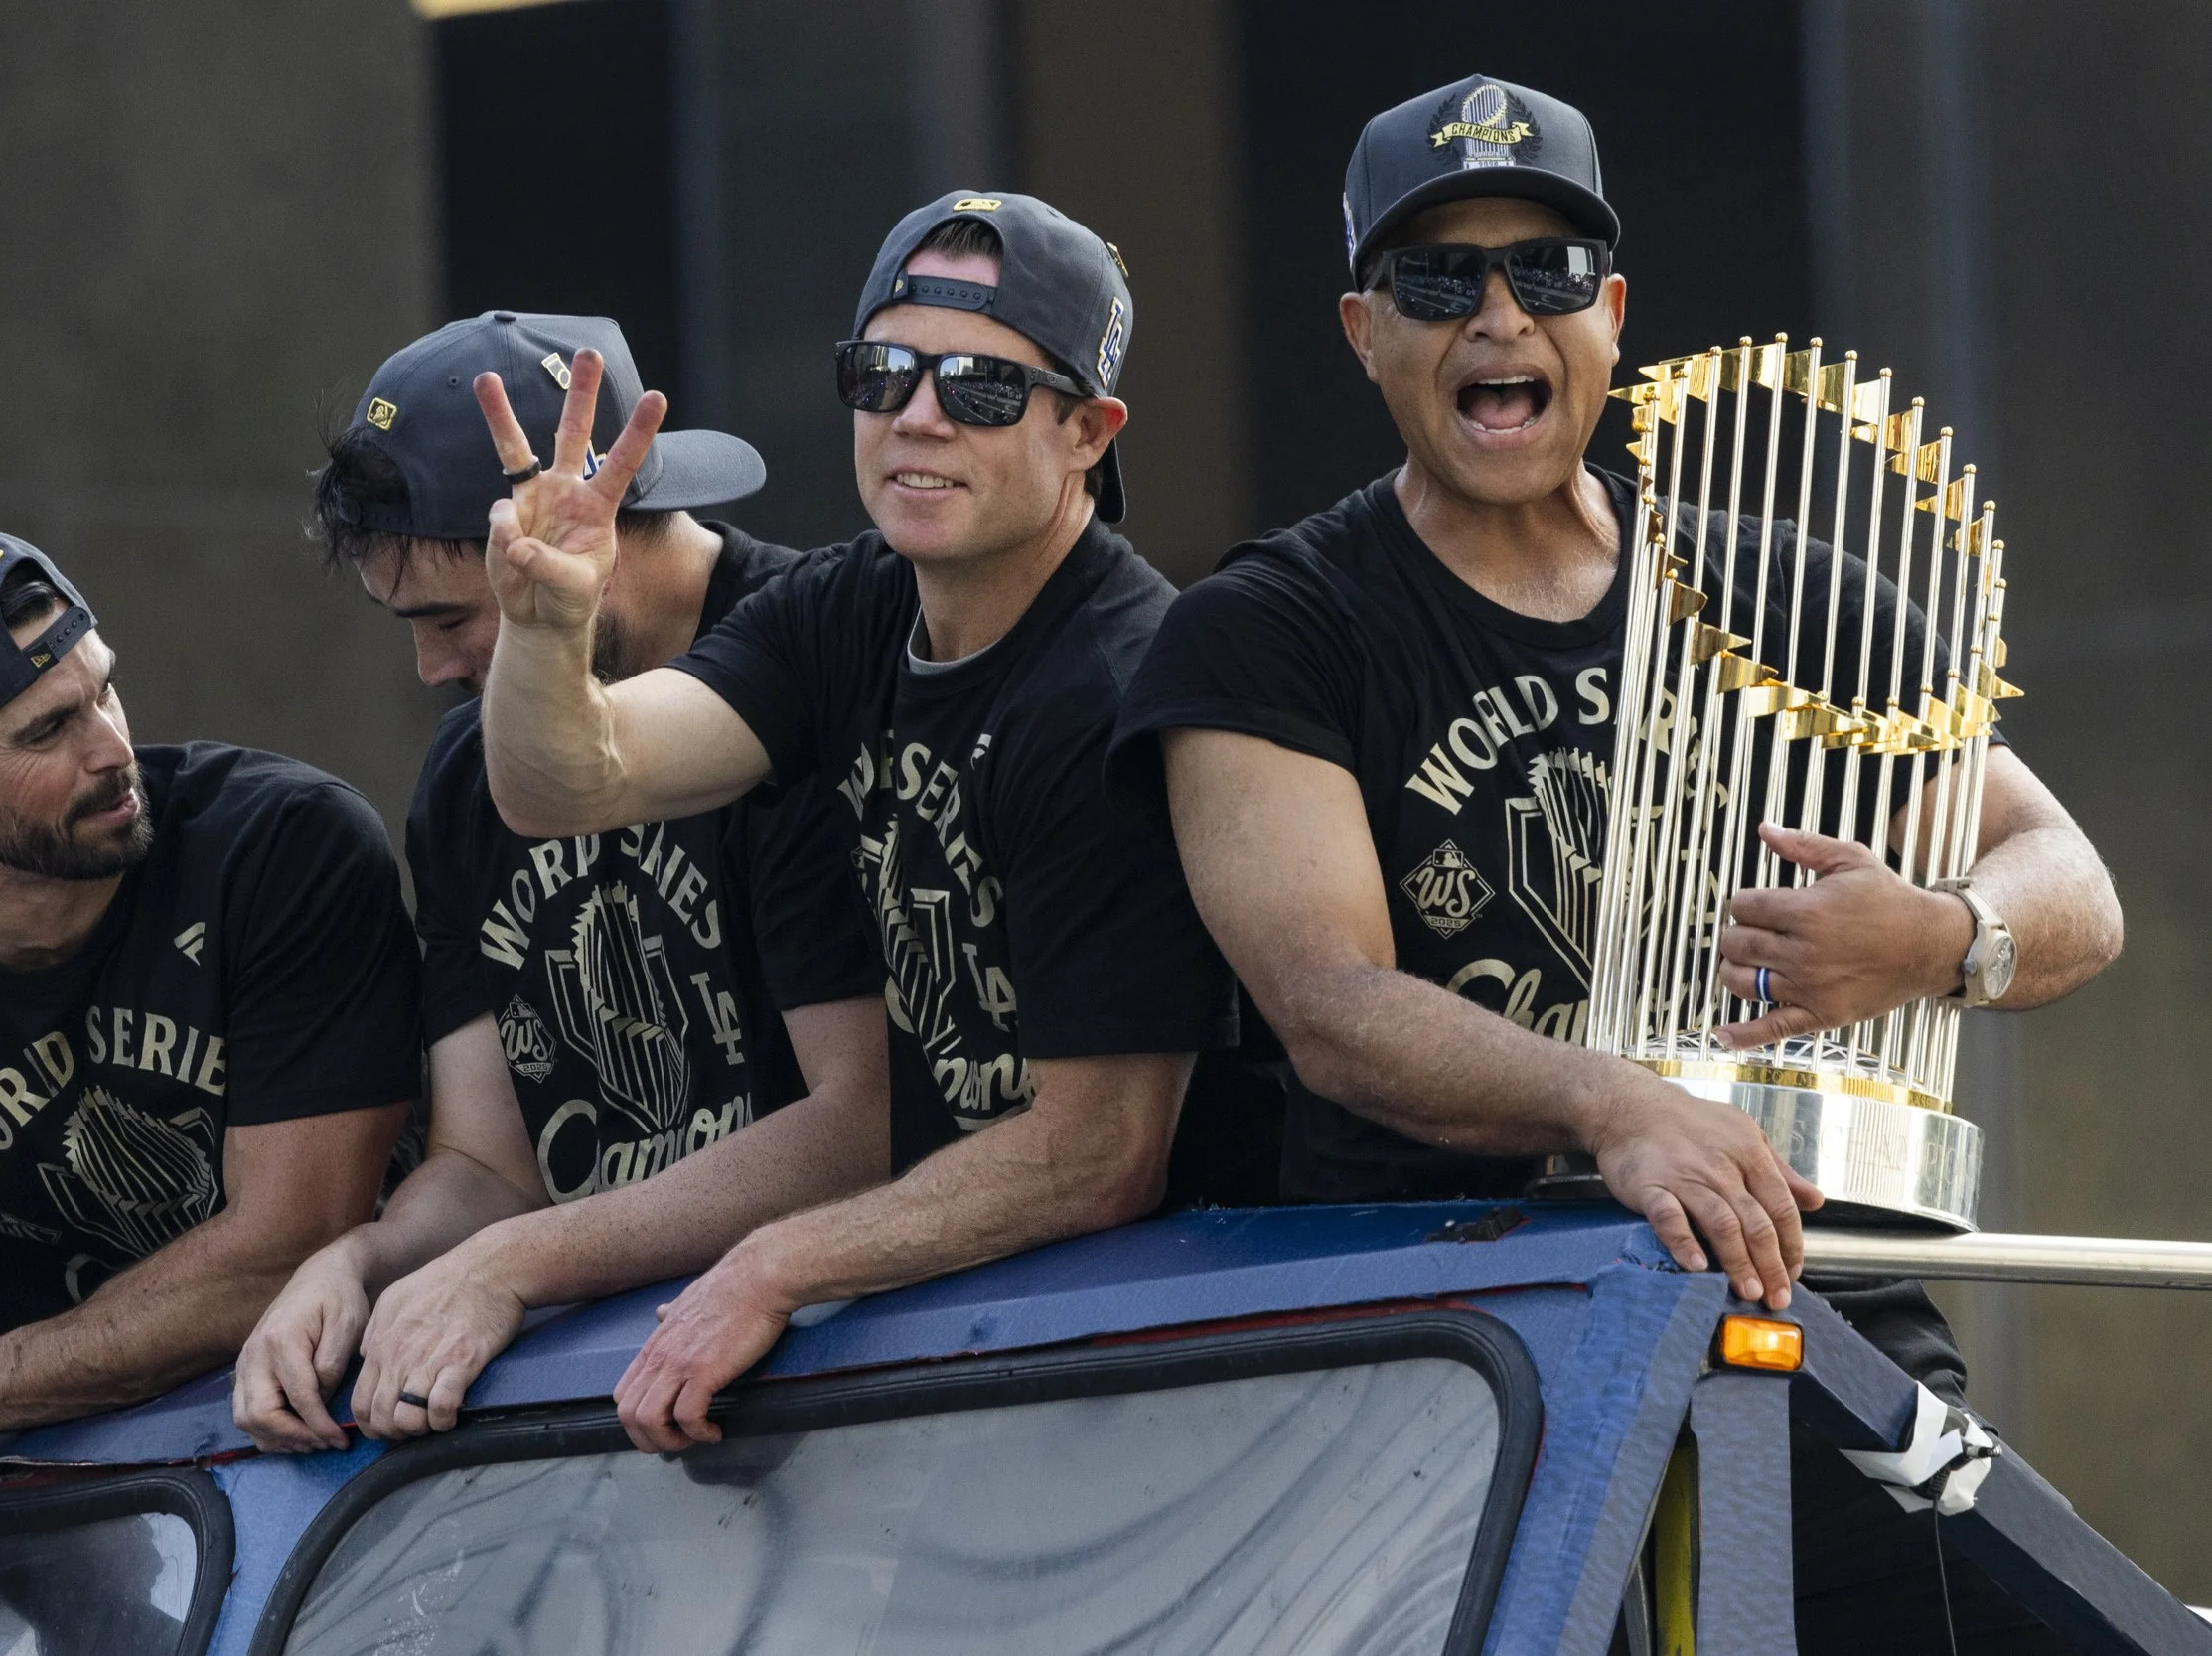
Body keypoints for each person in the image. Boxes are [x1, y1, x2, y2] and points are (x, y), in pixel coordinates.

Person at [1107, 75, 2122, 1652]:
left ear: (1614, 313)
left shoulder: (1780, 592)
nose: (1499, 316)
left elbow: (2069, 878)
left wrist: (1943, 935)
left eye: (1548, 270)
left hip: (1813, 1327)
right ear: (1364, 331)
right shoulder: (1269, 627)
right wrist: (1615, 1104)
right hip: (1469, 1364)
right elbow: (1328, 1001)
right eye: (1438, 279)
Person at [478, 192, 1236, 1454]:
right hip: (976, 1321)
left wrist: (776, 1262)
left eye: (981, 387)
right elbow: (568, 784)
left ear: (1085, 433)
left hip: (1189, 1353)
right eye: (881, 373)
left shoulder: (1109, 683)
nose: (917, 415)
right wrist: (547, 628)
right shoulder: (849, 607)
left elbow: (1099, 1153)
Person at [0, 528, 420, 1615]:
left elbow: (284, 1247)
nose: (110, 750)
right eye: (46, 730)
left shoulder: (283, 847)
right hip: (55, 1518)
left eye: (105, 691)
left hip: (366, 1459)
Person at [230, 312, 888, 1451]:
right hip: (617, 1402)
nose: (431, 667)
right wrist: (360, 1262)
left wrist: (516, 1263)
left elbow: (860, 1125)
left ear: (596, 534)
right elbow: (487, 1162)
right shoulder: (465, 772)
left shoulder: (810, 661)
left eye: (451, 616)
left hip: (861, 1377)